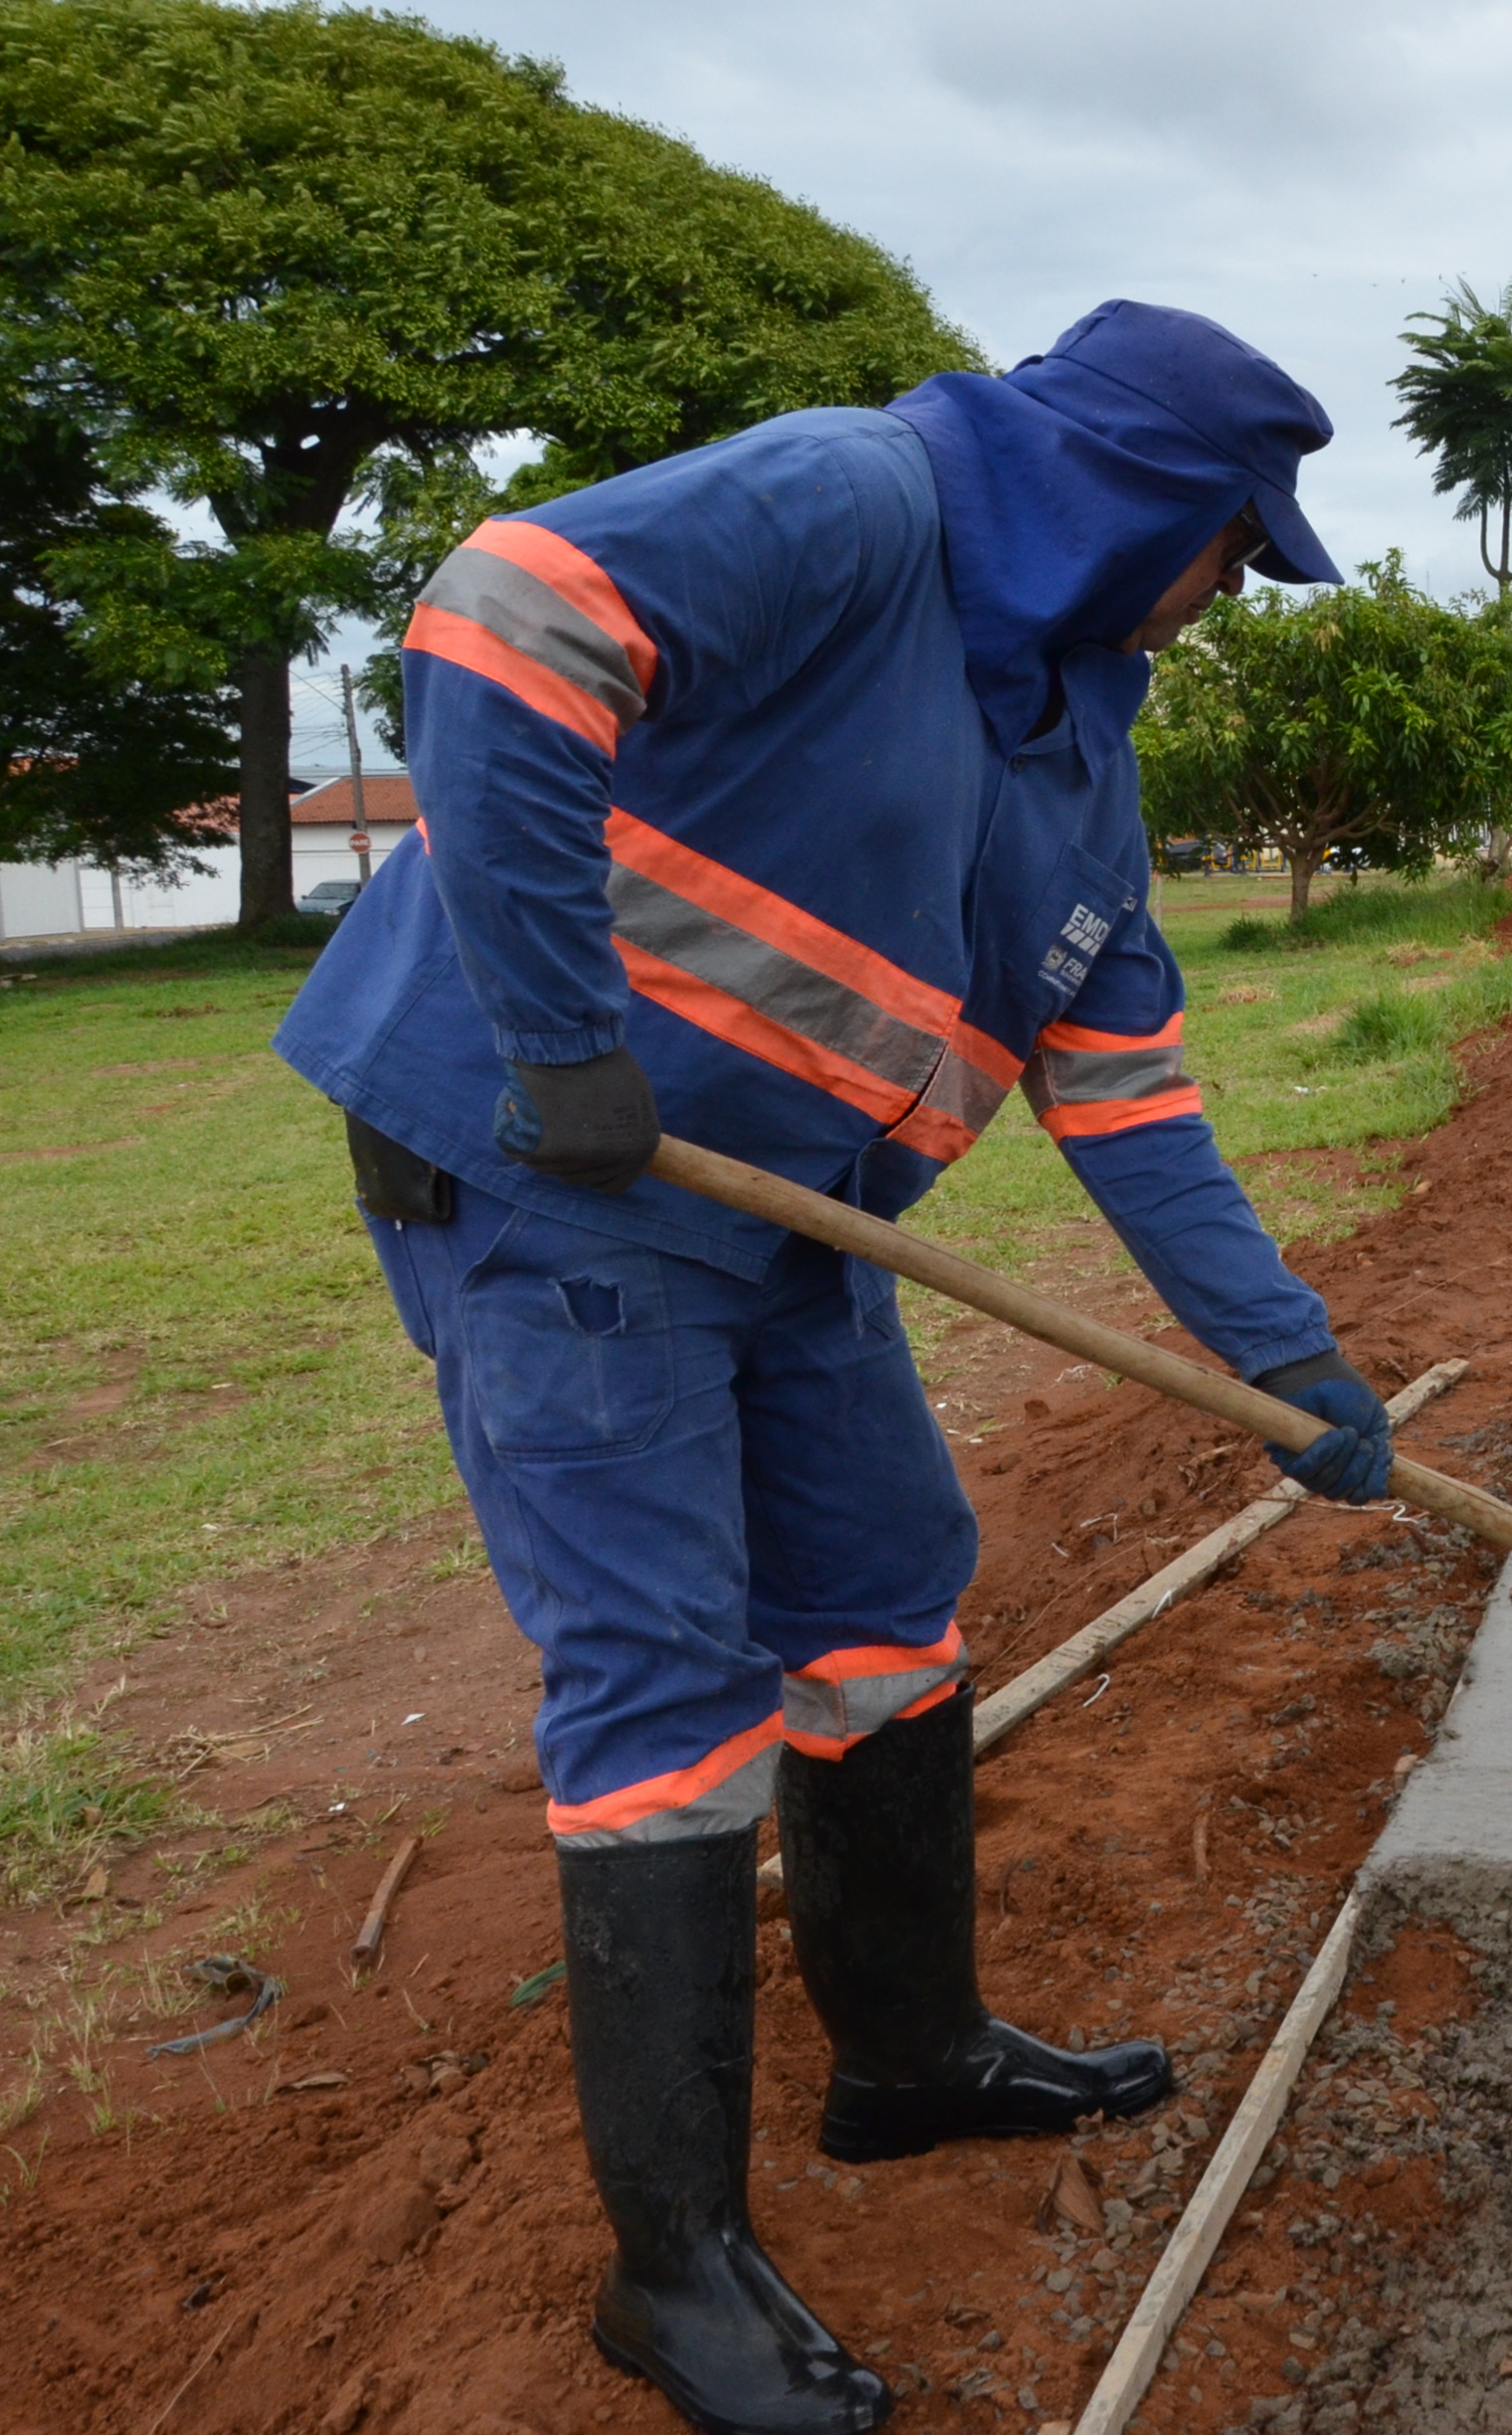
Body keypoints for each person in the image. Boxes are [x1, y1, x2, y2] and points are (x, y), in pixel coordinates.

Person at [277, 302, 1399, 2432]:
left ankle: (908, 2061)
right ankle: (671, 2274)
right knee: (664, 1675)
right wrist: (555, 1037)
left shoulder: (1076, 739)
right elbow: (507, 621)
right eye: (1232, 544)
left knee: (890, 1588)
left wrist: (1297, 1367)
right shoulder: (851, 498)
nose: (1234, 585)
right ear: (1128, 497)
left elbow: (1130, 1096)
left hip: (797, 1221)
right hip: (556, 1176)